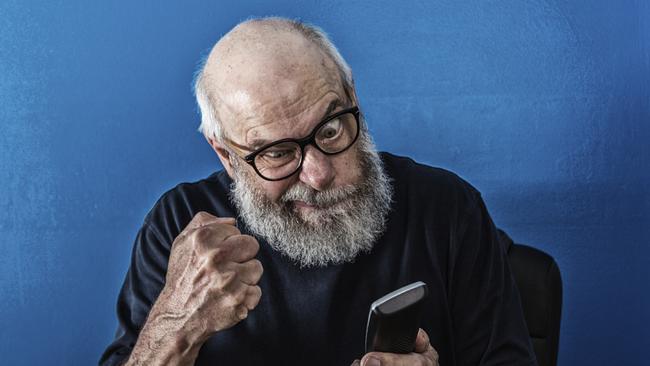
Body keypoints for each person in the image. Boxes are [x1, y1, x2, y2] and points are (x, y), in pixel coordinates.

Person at [99, 17, 536, 366]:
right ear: (227, 156)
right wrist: (177, 326)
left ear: (354, 99)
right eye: (277, 153)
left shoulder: (447, 209)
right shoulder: (181, 227)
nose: (319, 173)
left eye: (330, 129)